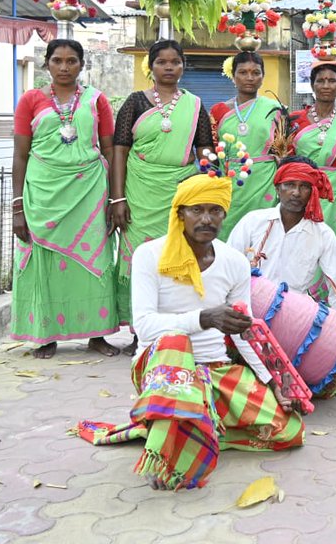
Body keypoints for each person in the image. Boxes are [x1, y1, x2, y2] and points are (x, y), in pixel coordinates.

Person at [78, 174, 304, 490]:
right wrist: (204, 319)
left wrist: (275, 381)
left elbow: (245, 331)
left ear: (225, 215)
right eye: (196, 210)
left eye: (215, 210)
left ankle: (200, 430)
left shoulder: (234, 262)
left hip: (213, 368)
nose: (206, 219)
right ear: (179, 213)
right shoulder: (149, 255)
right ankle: (166, 452)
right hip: (162, 367)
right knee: (175, 342)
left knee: (287, 431)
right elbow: (143, 326)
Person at [10, 39, 118, 358]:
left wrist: (114, 199)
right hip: (44, 193)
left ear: (82, 65)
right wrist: (18, 206)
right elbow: (20, 155)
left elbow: (109, 148)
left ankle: (97, 335)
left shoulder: (97, 100)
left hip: (89, 192)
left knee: (96, 260)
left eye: (72, 61)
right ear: (47, 64)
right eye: (57, 60)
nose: (65, 66)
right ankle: (46, 335)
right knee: (44, 262)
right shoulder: (30, 100)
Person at [111, 40, 214, 343]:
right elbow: (119, 151)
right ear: (151, 66)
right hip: (140, 191)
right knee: (138, 260)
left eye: (176, 62)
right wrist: (117, 198)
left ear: (184, 66)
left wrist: (208, 179)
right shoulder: (134, 102)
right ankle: (139, 331)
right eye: (162, 62)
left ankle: (175, 328)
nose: (169, 67)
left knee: (178, 256)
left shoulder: (194, 104)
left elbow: (204, 148)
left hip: (180, 192)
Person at [228, 156, 336, 313]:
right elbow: (228, 268)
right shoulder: (253, 222)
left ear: (312, 192)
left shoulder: (323, 234)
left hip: (293, 317)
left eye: (304, 186)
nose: (296, 192)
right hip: (249, 311)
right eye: (289, 185)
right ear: (277, 189)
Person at [289, 61, 336, 266]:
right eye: (320, 81)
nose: (326, 85)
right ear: (312, 86)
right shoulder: (294, 120)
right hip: (301, 190)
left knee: (332, 246)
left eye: (332, 81)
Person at [209, 51, 283, 238]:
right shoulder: (220, 111)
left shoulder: (275, 109)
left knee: (263, 235)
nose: (249, 78)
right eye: (243, 72)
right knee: (229, 233)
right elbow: (212, 153)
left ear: (263, 76)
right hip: (231, 181)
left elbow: (284, 150)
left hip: (264, 180)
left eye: (256, 72)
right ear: (233, 76)